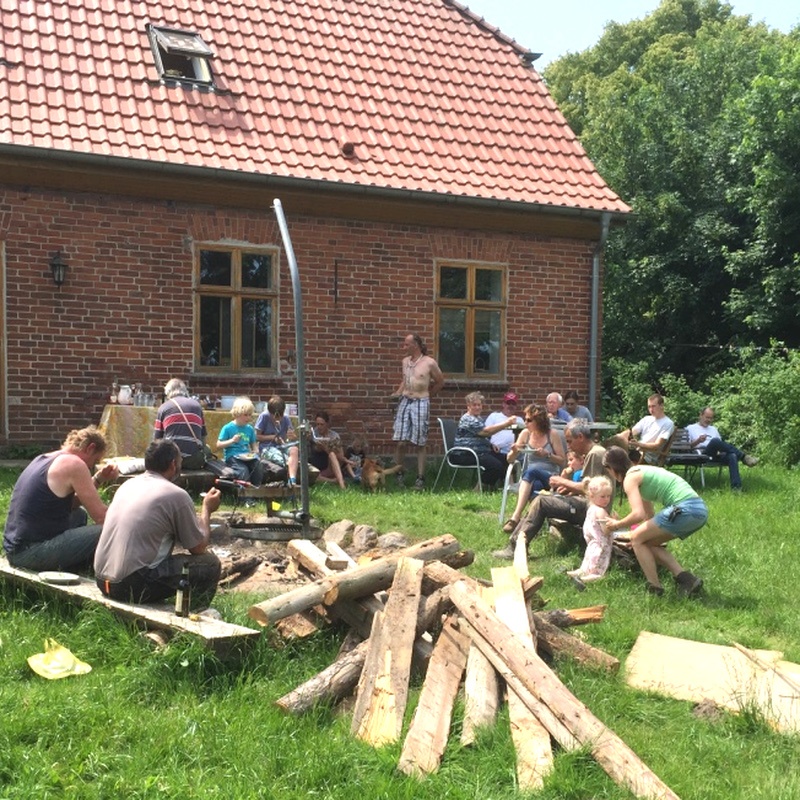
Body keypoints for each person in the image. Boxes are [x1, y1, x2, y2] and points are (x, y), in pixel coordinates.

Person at [94, 440, 222, 609]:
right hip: (130, 586)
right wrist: (207, 508)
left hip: (102, 581)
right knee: (211, 564)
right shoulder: (176, 495)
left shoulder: (127, 485)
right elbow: (197, 547)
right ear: (173, 464)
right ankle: (195, 615)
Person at [493, 418, 613, 559]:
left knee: (542, 502)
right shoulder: (595, 452)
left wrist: (562, 482)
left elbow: (591, 489)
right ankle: (517, 544)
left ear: (580, 437)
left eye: (569, 441)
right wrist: (569, 490)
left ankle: (515, 548)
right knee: (542, 499)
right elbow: (589, 486)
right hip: (590, 505)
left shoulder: (595, 454)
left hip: (593, 510)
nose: (568, 446)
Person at [3, 427, 118, 572]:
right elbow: (101, 517)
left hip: (14, 548)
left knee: (79, 514)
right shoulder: (74, 464)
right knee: (110, 530)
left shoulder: (45, 458)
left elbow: (70, 505)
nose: (91, 466)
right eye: (94, 460)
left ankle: (77, 562)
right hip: (30, 553)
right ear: (90, 448)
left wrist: (99, 479)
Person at [603, 446, 706, 596]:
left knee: (637, 539)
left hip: (684, 508)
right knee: (646, 542)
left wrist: (616, 525)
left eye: (608, 471)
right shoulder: (641, 471)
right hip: (699, 510)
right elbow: (648, 514)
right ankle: (686, 580)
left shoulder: (630, 479)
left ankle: (654, 587)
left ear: (611, 468)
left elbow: (638, 514)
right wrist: (640, 532)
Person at [501, 404, 567, 532]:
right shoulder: (525, 434)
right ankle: (532, 525)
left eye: (529, 420)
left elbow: (562, 460)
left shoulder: (551, 434)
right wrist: (514, 451)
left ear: (539, 421)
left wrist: (547, 455)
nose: (525, 422)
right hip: (530, 479)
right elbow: (509, 460)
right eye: (525, 419)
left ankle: (515, 517)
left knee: (531, 471)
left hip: (550, 477)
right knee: (534, 485)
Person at [392, 333, 445, 490]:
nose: (404, 347)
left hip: (421, 401)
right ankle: (399, 473)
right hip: (405, 401)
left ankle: (420, 477)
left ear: (415, 345)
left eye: (407, 345)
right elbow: (405, 380)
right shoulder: (405, 362)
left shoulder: (429, 363)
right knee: (400, 441)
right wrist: (397, 393)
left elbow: (440, 381)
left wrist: (428, 396)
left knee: (420, 442)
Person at [451, 392, 516, 489]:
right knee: (495, 466)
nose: (477, 407)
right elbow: (485, 432)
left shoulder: (478, 418)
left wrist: (491, 444)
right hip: (464, 454)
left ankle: (509, 487)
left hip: (479, 452)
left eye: (479, 405)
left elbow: (481, 436)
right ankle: (478, 490)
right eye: (474, 405)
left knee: (506, 459)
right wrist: (506, 424)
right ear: (468, 406)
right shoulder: (468, 419)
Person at [686, 406, 758, 491]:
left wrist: (720, 452)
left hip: (715, 455)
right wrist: (698, 441)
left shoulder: (713, 429)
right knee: (715, 441)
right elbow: (687, 447)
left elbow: (721, 445)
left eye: (711, 418)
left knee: (732, 455)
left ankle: (736, 488)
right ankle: (743, 457)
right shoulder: (690, 428)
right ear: (700, 415)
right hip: (701, 454)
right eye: (707, 417)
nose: (708, 420)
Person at [567, 475, 615, 586]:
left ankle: (577, 573)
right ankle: (583, 581)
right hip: (602, 545)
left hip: (592, 543)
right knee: (598, 571)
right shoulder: (601, 511)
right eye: (603, 496)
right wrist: (614, 524)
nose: (606, 499)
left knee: (587, 564)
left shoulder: (591, 509)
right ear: (592, 496)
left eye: (608, 496)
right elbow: (606, 531)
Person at [153, 378, 207, 470]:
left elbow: (157, 439)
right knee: (207, 449)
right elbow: (203, 436)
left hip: (171, 462)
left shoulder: (163, 408)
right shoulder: (197, 406)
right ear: (185, 391)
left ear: (167, 392)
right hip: (193, 461)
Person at [608, 393, 674, 465]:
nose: (651, 410)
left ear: (661, 406)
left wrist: (639, 444)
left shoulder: (668, 423)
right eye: (649, 407)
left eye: (653, 406)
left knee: (614, 456)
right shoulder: (647, 419)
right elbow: (632, 432)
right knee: (616, 442)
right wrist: (619, 437)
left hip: (647, 456)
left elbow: (657, 446)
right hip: (637, 451)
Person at [216, 397, 263, 485]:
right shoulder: (228, 428)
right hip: (232, 457)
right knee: (243, 470)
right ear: (237, 413)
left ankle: (256, 489)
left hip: (246, 456)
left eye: (250, 415)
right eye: (245, 415)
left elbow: (253, 443)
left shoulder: (249, 428)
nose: (248, 418)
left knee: (258, 466)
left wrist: (256, 451)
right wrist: (232, 441)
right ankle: (244, 495)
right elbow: (218, 445)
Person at [255, 395, 299, 486]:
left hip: (282, 445)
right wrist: (272, 437)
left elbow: (293, 437)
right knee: (284, 460)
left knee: (294, 449)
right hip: (267, 447)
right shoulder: (264, 417)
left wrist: (292, 436)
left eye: (280, 416)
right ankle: (288, 481)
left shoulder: (286, 418)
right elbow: (257, 436)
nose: (277, 419)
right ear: (270, 413)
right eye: (275, 417)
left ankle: (293, 480)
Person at [309, 411, 347, 489]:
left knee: (332, 454)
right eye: (317, 424)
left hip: (331, 465)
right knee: (311, 477)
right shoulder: (314, 434)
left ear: (327, 424)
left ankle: (342, 486)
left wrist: (327, 448)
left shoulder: (334, 435)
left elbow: (341, 456)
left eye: (322, 424)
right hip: (318, 466)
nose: (319, 427)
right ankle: (334, 481)